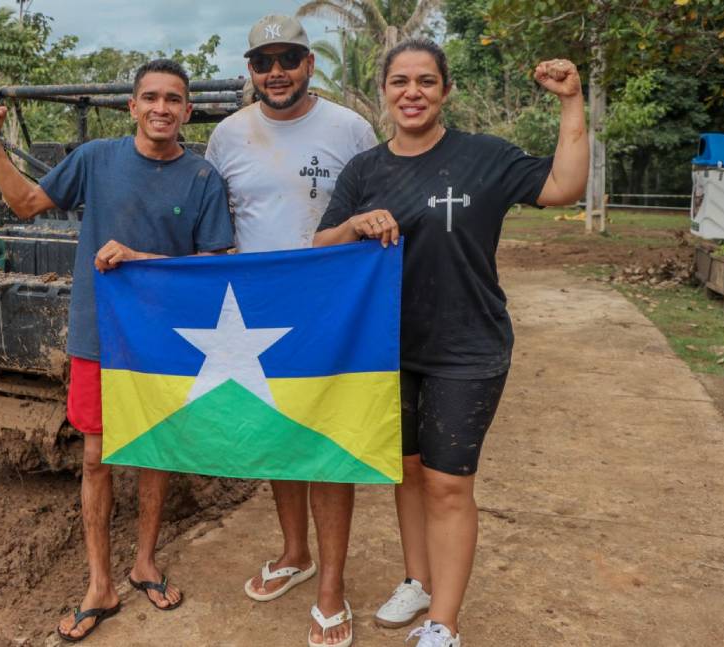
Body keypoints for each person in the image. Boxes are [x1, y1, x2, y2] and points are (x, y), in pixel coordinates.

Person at [313, 38, 588, 647]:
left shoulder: (484, 158)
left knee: (447, 482)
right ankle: (418, 581)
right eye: (400, 82)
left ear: (446, 90)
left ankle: (445, 623)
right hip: (386, 346)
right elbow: (321, 246)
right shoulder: (365, 171)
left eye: (426, 82)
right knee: (406, 472)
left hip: (468, 345)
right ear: (384, 91)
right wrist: (356, 224)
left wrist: (572, 103)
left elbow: (564, 185)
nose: (412, 92)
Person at [0, 58, 235, 642]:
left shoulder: (202, 179)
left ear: (187, 111)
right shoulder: (96, 161)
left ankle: (144, 563)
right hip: (100, 335)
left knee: (156, 453)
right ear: (132, 107)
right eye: (150, 98)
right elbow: (26, 205)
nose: (161, 108)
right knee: (96, 459)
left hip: (169, 342)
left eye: (173, 99)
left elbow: (217, 266)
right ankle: (100, 585)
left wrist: (143, 260)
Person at [204, 13, 378, 647]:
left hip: (335, 307)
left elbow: (376, 207)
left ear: (309, 64)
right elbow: (212, 223)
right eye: (262, 61)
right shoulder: (226, 135)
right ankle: (294, 553)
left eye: (288, 59)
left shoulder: (350, 128)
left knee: (328, 443)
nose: (275, 71)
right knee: (279, 436)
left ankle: (331, 587)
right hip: (254, 311)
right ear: (249, 71)